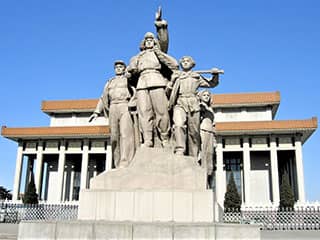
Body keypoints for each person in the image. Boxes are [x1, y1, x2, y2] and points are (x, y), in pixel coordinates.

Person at [127, 32, 178, 147]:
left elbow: (174, 64)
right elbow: (130, 73)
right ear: (143, 43)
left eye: (151, 40)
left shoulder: (158, 54)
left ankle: (165, 137)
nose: (149, 41)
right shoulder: (136, 57)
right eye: (147, 40)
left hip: (157, 81)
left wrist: (159, 53)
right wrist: (129, 71)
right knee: (144, 113)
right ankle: (148, 139)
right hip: (142, 84)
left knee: (162, 111)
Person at [168, 56, 220, 157]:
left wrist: (215, 75)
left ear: (192, 64)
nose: (185, 62)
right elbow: (168, 92)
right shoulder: (177, 76)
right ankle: (180, 149)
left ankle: (194, 155)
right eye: (183, 61)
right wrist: (171, 82)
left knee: (194, 131)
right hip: (180, 102)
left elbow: (212, 84)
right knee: (178, 125)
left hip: (193, 103)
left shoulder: (196, 76)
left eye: (187, 61)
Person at [89, 60, 135, 168]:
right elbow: (103, 97)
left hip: (125, 105)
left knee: (125, 134)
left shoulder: (128, 80)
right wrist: (96, 112)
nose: (118, 68)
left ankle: (126, 161)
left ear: (124, 68)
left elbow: (136, 91)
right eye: (116, 67)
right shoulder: (110, 82)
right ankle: (117, 163)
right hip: (113, 108)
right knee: (114, 137)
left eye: (120, 67)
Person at [199, 90, 216, 188]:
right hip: (203, 131)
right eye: (204, 95)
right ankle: (202, 179)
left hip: (210, 132)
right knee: (203, 155)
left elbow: (213, 124)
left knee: (210, 155)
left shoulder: (210, 108)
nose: (206, 96)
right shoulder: (200, 106)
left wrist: (214, 140)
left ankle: (208, 181)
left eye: (208, 95)